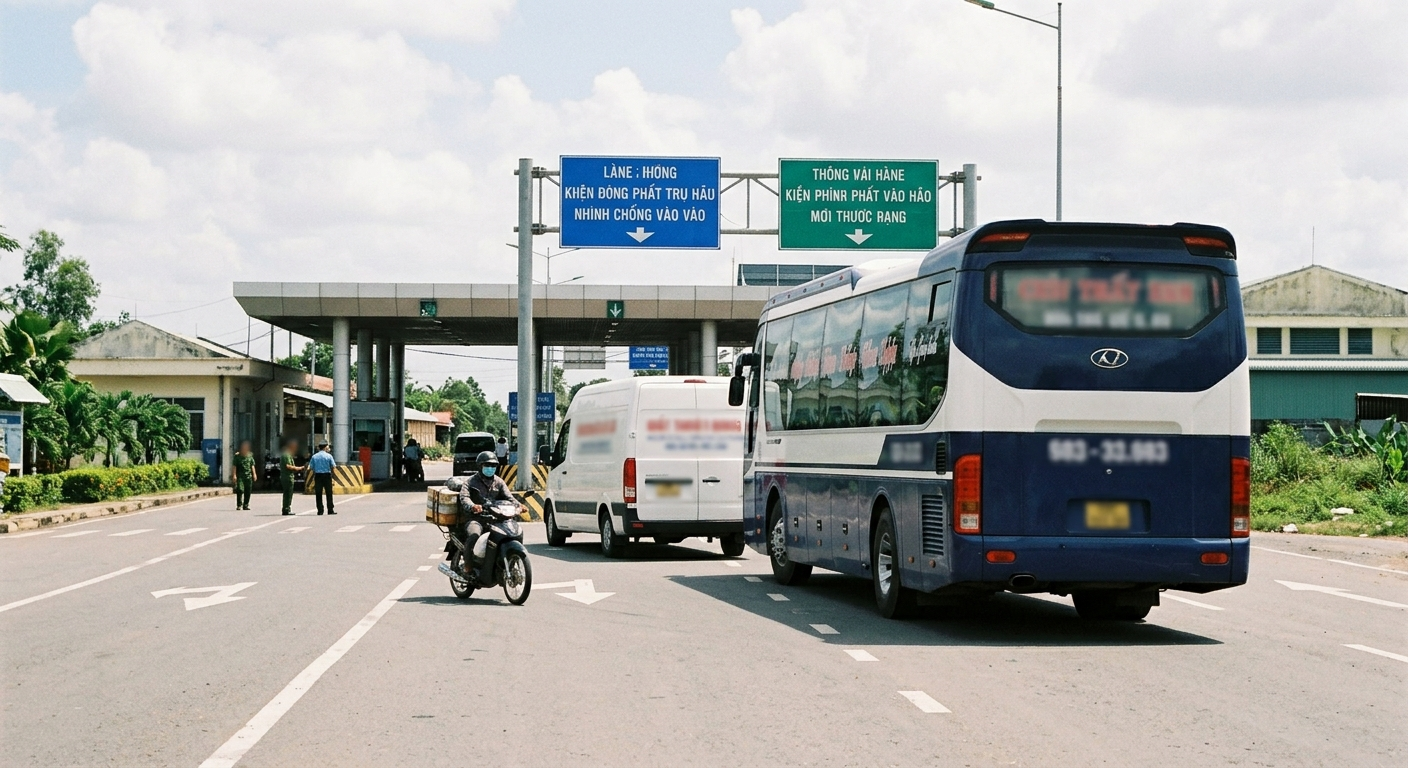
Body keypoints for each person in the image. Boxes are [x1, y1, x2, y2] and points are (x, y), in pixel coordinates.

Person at [456, 450, 520, 581]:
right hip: (476, 519)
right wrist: (473, 506)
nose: (491, 468)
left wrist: (519, 506)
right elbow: (464, 498)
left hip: (497, 519)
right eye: (487, 465)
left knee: (511, 533)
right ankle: (468, 567)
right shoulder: (470, 483)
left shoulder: (499, 482)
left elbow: (509, 497)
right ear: (480, 466)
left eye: (493, 466)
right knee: (474, 536)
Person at [279, 439, 305, 516]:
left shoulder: (287, 454)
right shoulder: (286, 455)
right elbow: (288, 466)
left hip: (287, 476)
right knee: (288, 493)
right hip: (287, 477)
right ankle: (286, 509)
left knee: (287, 493)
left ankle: (286, 508)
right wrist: (299, 468)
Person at [309, 442, 336, 515]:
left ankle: (320, 510)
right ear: (325, 447)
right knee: (329, 493)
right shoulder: (329, 456)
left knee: (318, 493)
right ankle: (330, 510)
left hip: (318, 476)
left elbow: (311, 468)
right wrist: (333, 477)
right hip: (327, 475)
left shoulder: (314, 457)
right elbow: (333, 467)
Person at [232, 440, 258, 511]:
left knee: (248, 491)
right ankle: (239, 505)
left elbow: (252, 465)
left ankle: (245, 505)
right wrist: (234, 475)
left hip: (248, 476)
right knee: (240, 489)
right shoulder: (237, 456)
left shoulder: (250, 455)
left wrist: (254, 474)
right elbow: (234, 466)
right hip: (240, 476)